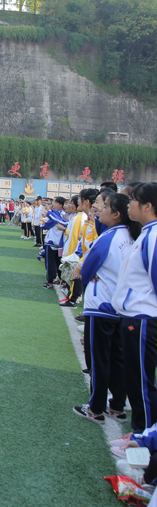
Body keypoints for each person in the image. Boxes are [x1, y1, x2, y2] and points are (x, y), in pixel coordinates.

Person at [73, 193, 138, 425]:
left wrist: (83, 273)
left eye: (106, 206)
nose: (100, 210)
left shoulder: (108, 237)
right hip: (122, 306)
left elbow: (87, 270)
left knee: (98, 359)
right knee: (117, 357)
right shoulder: (132, 236)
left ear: (117, 214)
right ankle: (117, 406)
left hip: (101, 305)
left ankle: (96, 408)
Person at [112, 183, 157, 433]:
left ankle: (145, 436)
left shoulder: (154, 235)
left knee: (141, 382)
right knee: (134, 379)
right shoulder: (146, 233)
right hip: (135, 316)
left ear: (148, 206)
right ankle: (140, 432)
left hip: (143, 318)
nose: (129, 204)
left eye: (133, 200)